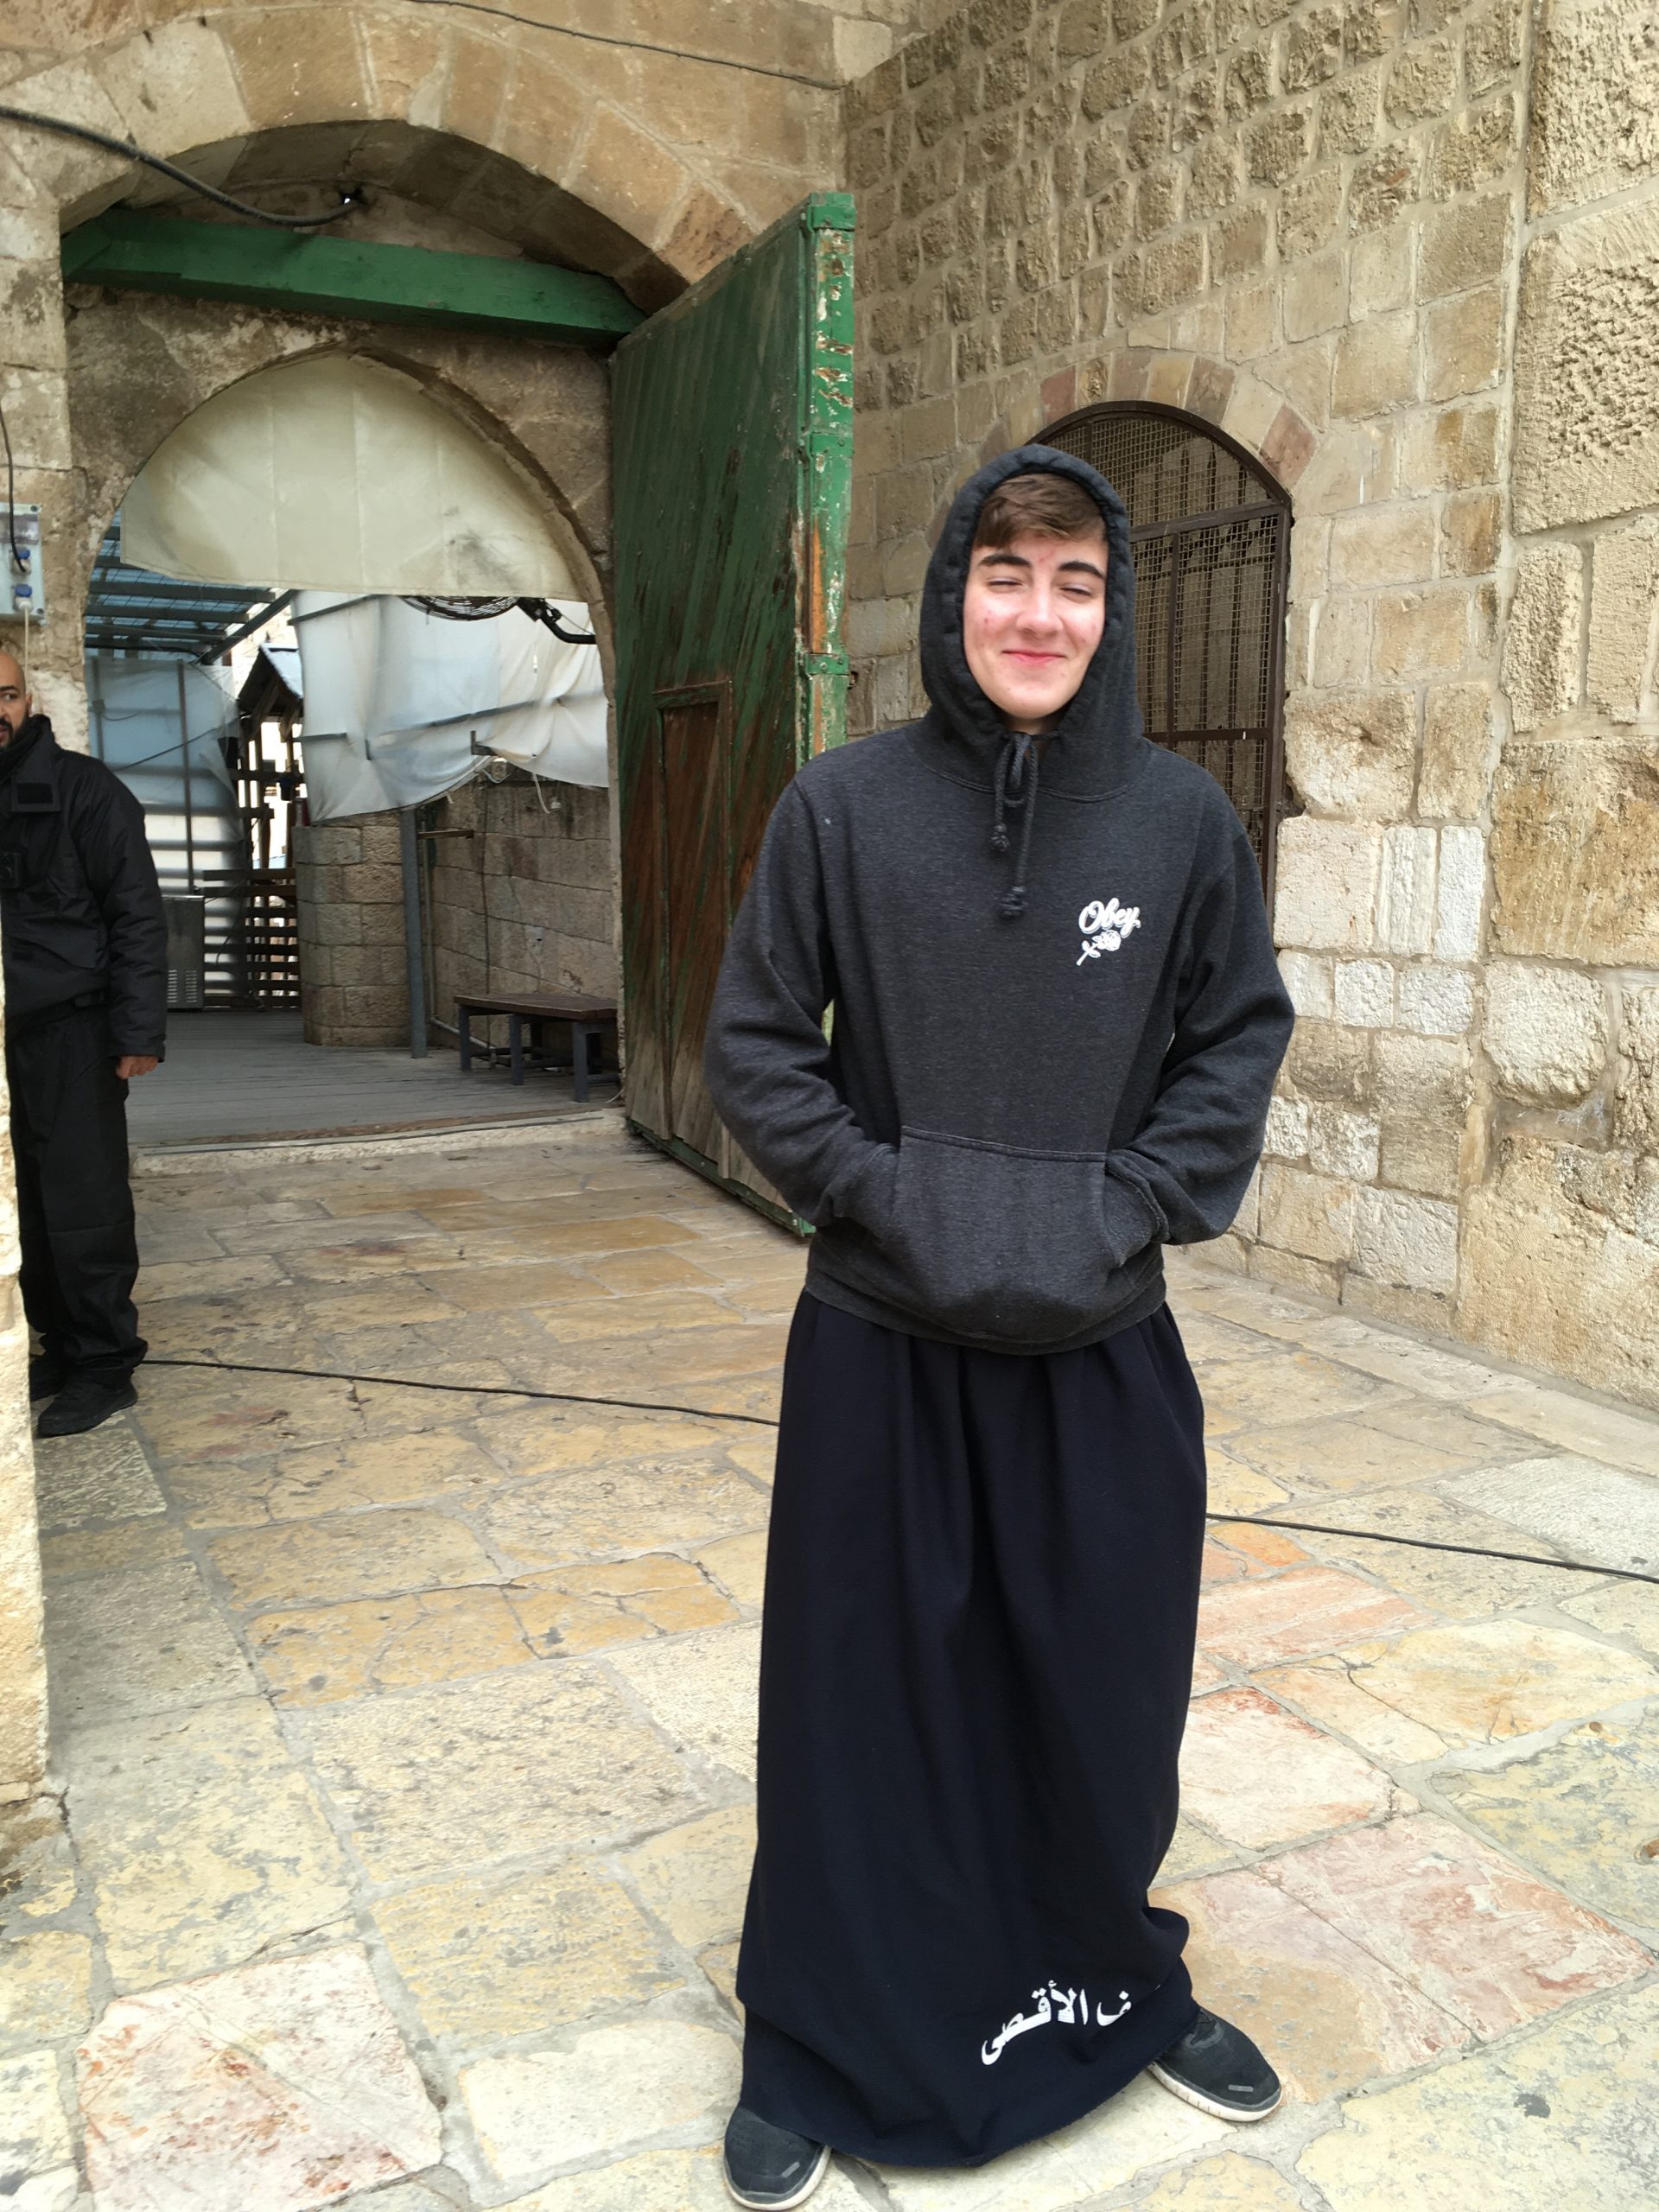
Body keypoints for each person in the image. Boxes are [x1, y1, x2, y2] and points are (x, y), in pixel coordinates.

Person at [703, 447, 1296, 2209]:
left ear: (1115, 607)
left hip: (1102, 1351)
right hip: (881, 1346)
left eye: (1077, 581)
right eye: (1007, 574)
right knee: (864, 1711)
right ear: (954, 587)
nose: (1040, 615)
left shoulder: (1181, 825)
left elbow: (1235, 1042)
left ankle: (1110, 1980)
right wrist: (886, 1196)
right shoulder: (842, 809)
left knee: (1098, 1699)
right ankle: (822, 2034)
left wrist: (1123, 1207)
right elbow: (756, 1044)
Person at [0, 651, 166, 1436]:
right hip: (5, 1036)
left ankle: (105, 1363)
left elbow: (136, 912)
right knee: (24, 1206)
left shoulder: (87, 789)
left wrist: (138, 1031)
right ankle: (61, 1348)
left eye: (4, 694)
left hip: (74, 1030)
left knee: (83, 1201)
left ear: (27, 698)